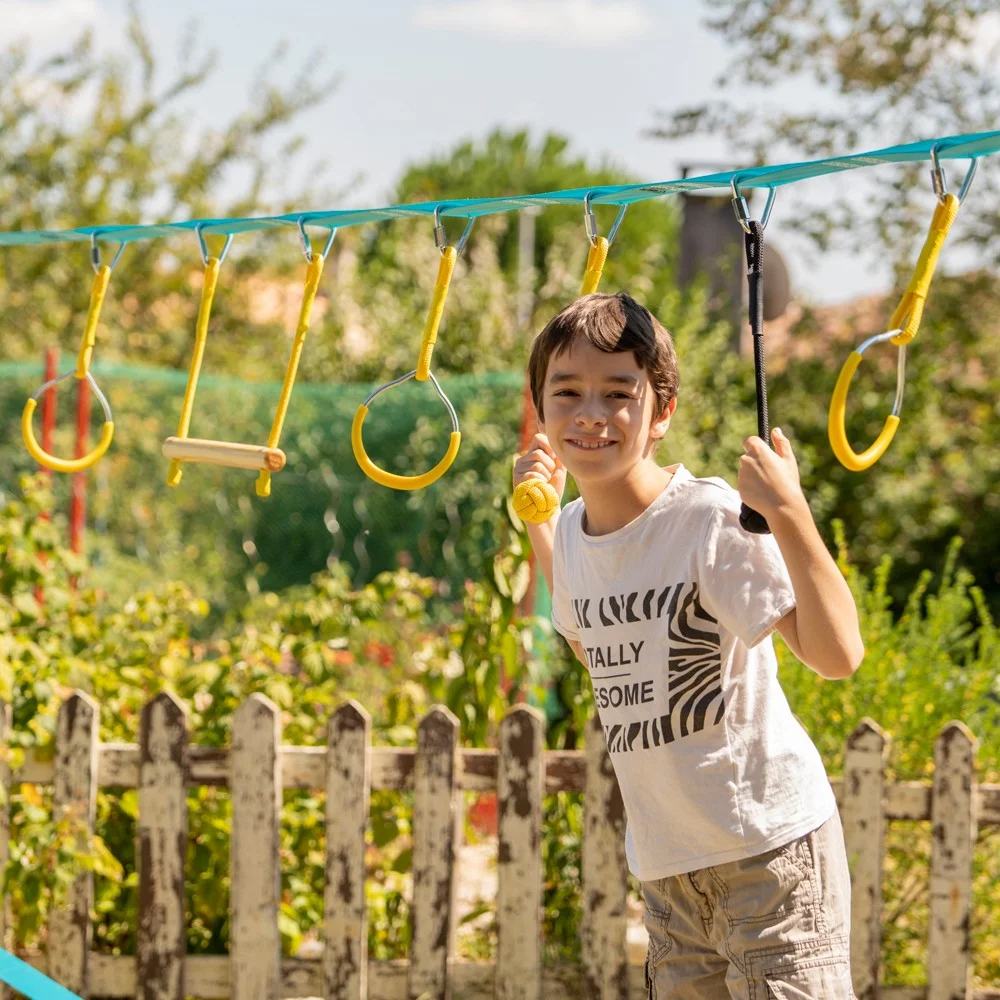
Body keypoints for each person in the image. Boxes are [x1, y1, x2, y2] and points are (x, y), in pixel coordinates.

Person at [513, 292, 864, 1000]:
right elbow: (596, 639)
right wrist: (539, 523)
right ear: (541, 410)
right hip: (669, 868)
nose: (590, 412)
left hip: (769, 852)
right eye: (568, 392)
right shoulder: (574, 532)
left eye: (619, 393)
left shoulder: (705, 519)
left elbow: (837, 656)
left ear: (661, 412)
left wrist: (789, 511)